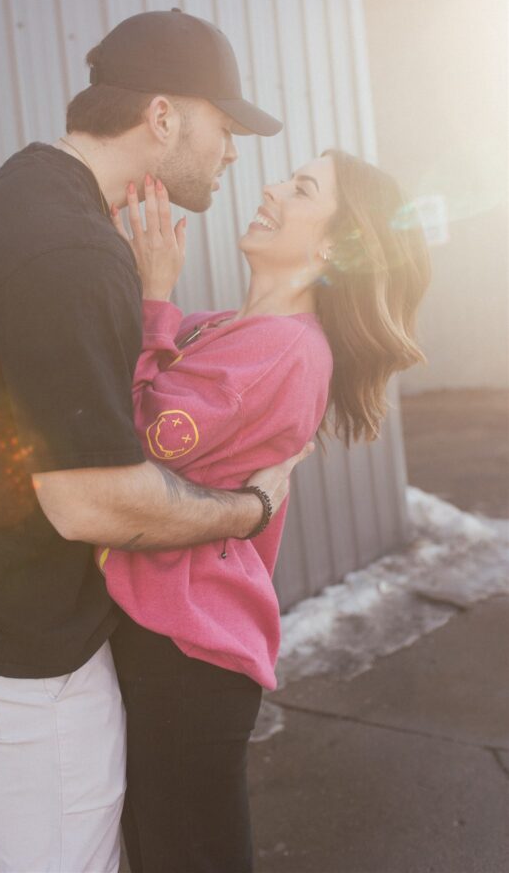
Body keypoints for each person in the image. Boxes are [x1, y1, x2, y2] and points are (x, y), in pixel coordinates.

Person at [0, 9, 309, 873]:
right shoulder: (71, 250)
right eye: (223, 126)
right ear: (162, 117)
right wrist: (251, 506)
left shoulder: (34, 191)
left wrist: (152, 297)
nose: (233, 153)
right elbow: (91, 498)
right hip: (24, 636)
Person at [101, 150, 431, 873]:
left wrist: (152, 295)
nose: (272, 188)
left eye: (303, 188)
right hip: (171, 645)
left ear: (334, 246)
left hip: (186, 657)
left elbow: (124, 446)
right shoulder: (226, 328)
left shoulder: (282, 350)